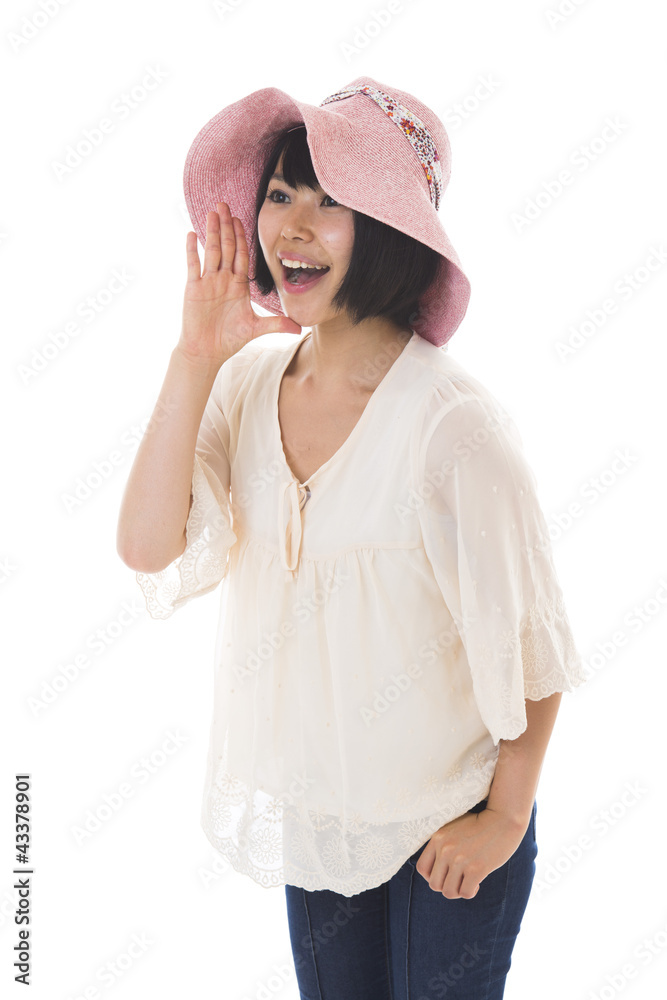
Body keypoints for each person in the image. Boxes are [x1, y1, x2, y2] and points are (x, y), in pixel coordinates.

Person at [117, 78, 588, 999]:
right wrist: (194, 356)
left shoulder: (451, 425)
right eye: (280, 194)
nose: (292, 227)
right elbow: (145, 545)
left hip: (451, 815)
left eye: (330, 201)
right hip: (323, 820)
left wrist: (502, 819)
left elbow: (533, 643)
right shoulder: (246, 387)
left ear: (389, 230)